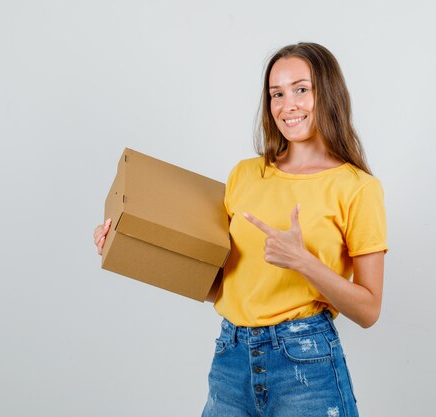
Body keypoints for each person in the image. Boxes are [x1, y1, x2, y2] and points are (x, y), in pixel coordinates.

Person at [93, 42, 387, 417]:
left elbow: (369, 310)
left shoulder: (358, 188)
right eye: (276, 94)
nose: (287, 105)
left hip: (305, 363)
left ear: (327, 93)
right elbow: (221, 286)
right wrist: (126, 246)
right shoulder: (245, 175)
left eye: (301, 89)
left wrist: (302, 261)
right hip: (231, 357)